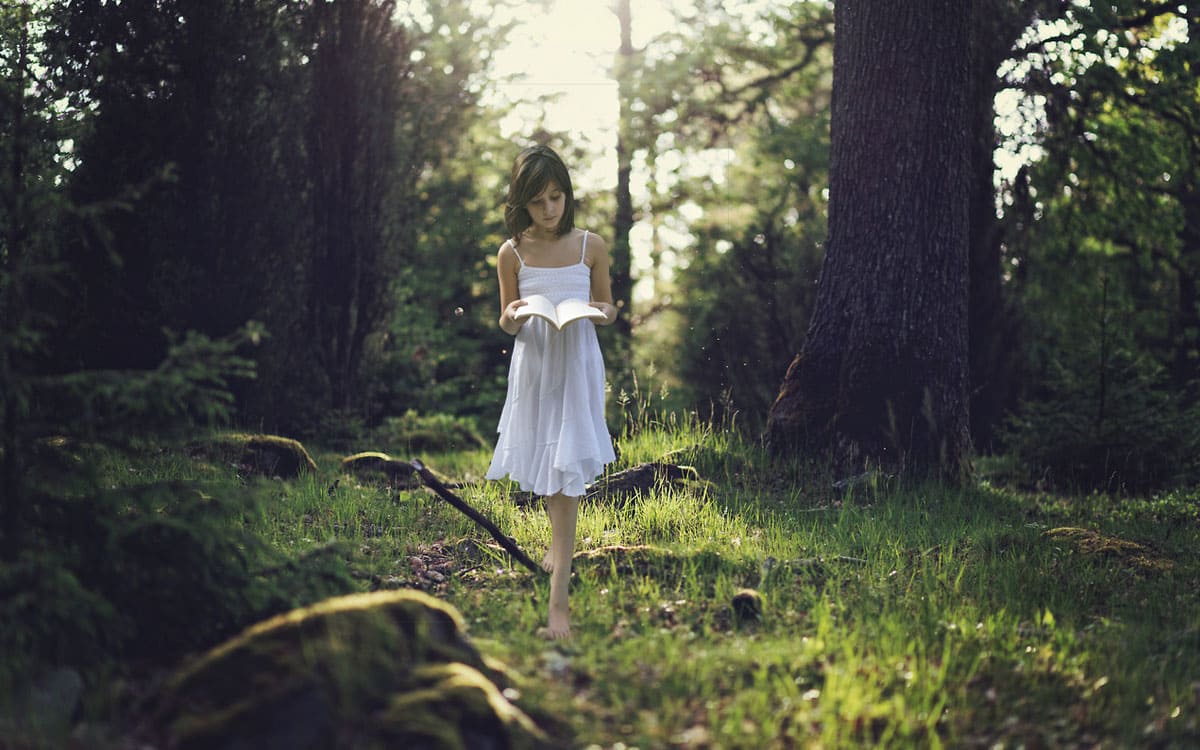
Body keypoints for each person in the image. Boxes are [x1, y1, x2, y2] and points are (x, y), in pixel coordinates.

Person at [485, 144, 618, 640]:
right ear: (521, 203)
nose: (548, 210)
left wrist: (602, 313)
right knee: (548, 467)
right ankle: (557, 551)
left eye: (556, 198)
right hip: (536, 365)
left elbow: (608, 306)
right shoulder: (512, 252)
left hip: (578, 361)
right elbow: (505, 320)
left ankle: (558, 603)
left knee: (565, 479)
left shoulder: (591, 246)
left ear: (568, 196)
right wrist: (514, 316)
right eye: (538, 201)